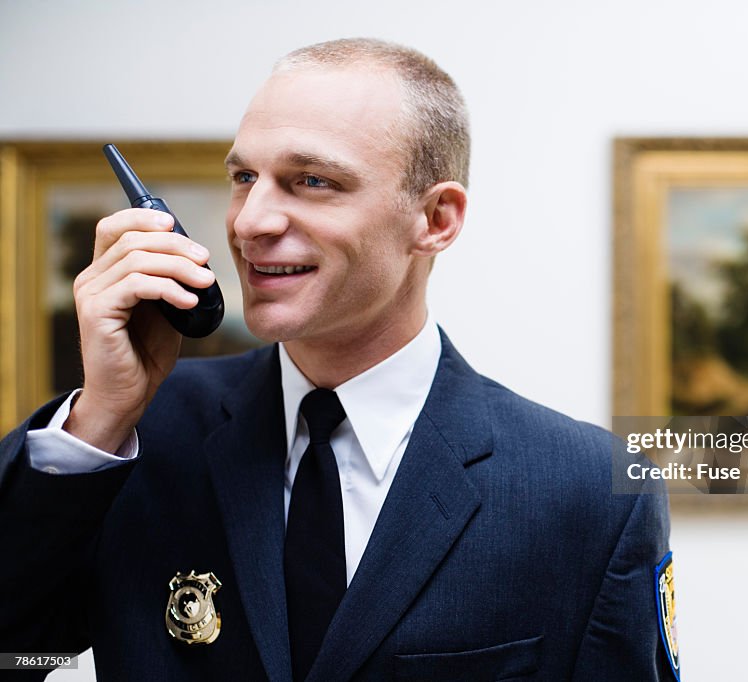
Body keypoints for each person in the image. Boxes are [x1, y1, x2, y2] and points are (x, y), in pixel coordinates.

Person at [0, 39, 676, 681]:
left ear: (436, 219)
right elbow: (16, 658)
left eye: (312, 180)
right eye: (244, 177)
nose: (248, 222)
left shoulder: (584, 490)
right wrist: (100, 421)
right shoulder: (135, 437)